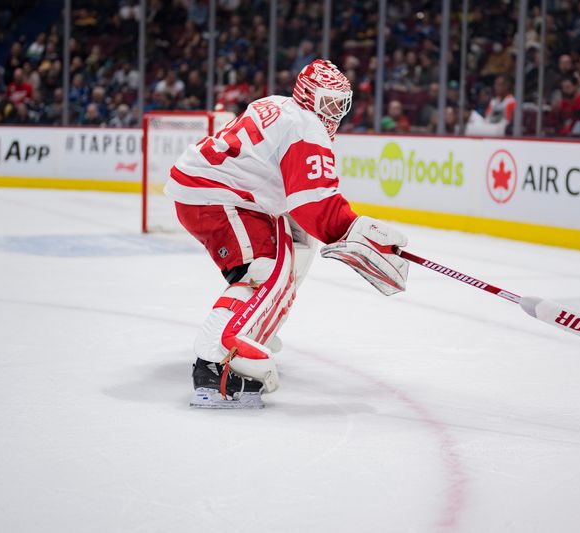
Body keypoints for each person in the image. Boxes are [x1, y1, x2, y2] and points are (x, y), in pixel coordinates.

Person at [165, 59, 410, 408]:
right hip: (216, 196)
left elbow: (297, 203)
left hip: (221, 191)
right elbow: (315, 203)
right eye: (330, 102)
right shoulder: (306, 125)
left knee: (297, 245)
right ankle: (216, 364)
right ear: (309, 96)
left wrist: (344, 231)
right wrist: (351, 230)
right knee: (264, 271)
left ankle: (256, 327)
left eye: (342, 103)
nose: (336, 112)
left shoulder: (279, 105)